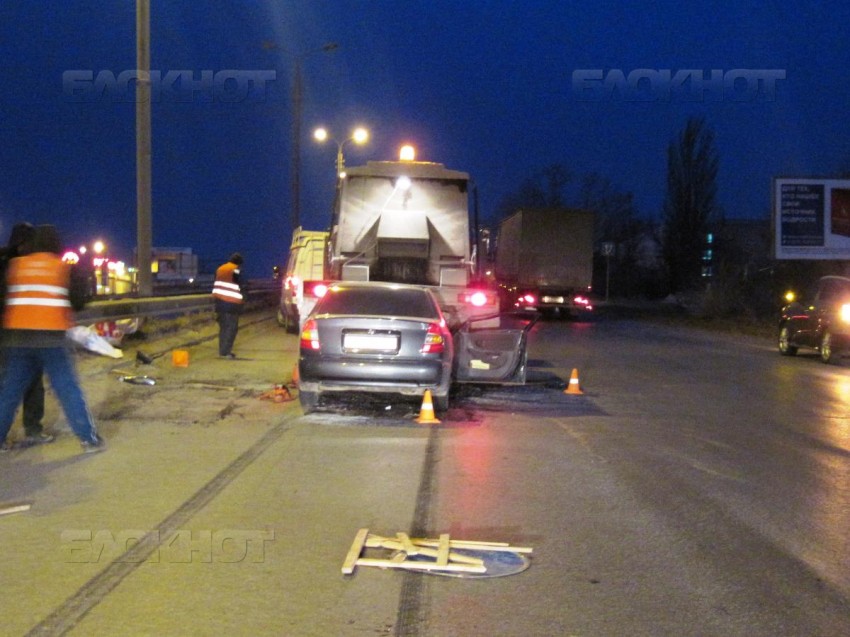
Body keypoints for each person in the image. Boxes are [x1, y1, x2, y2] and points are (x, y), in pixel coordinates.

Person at [0, 225, 104, 454]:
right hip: (51, 337)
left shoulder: (17, 266)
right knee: (67, 388)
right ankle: (89, 439)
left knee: (9, 392)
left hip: (17, 337)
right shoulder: (61, 269)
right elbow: (78, 302)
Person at [0, 223, 51, 446]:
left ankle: (32, 430)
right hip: (13, 332)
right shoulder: (12, 265)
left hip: (23, 331)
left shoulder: (20, 263)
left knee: (27, 382)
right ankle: (24, 431)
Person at [212, 252, 245, 358]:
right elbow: (239, 284)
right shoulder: (235, 269)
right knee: (231, 328)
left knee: (223, 328)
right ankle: (226, 352)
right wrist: (244, 297)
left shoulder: (220, 269)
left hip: (219, 303)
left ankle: (222, 351)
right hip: (231, 304)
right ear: (239, 263)